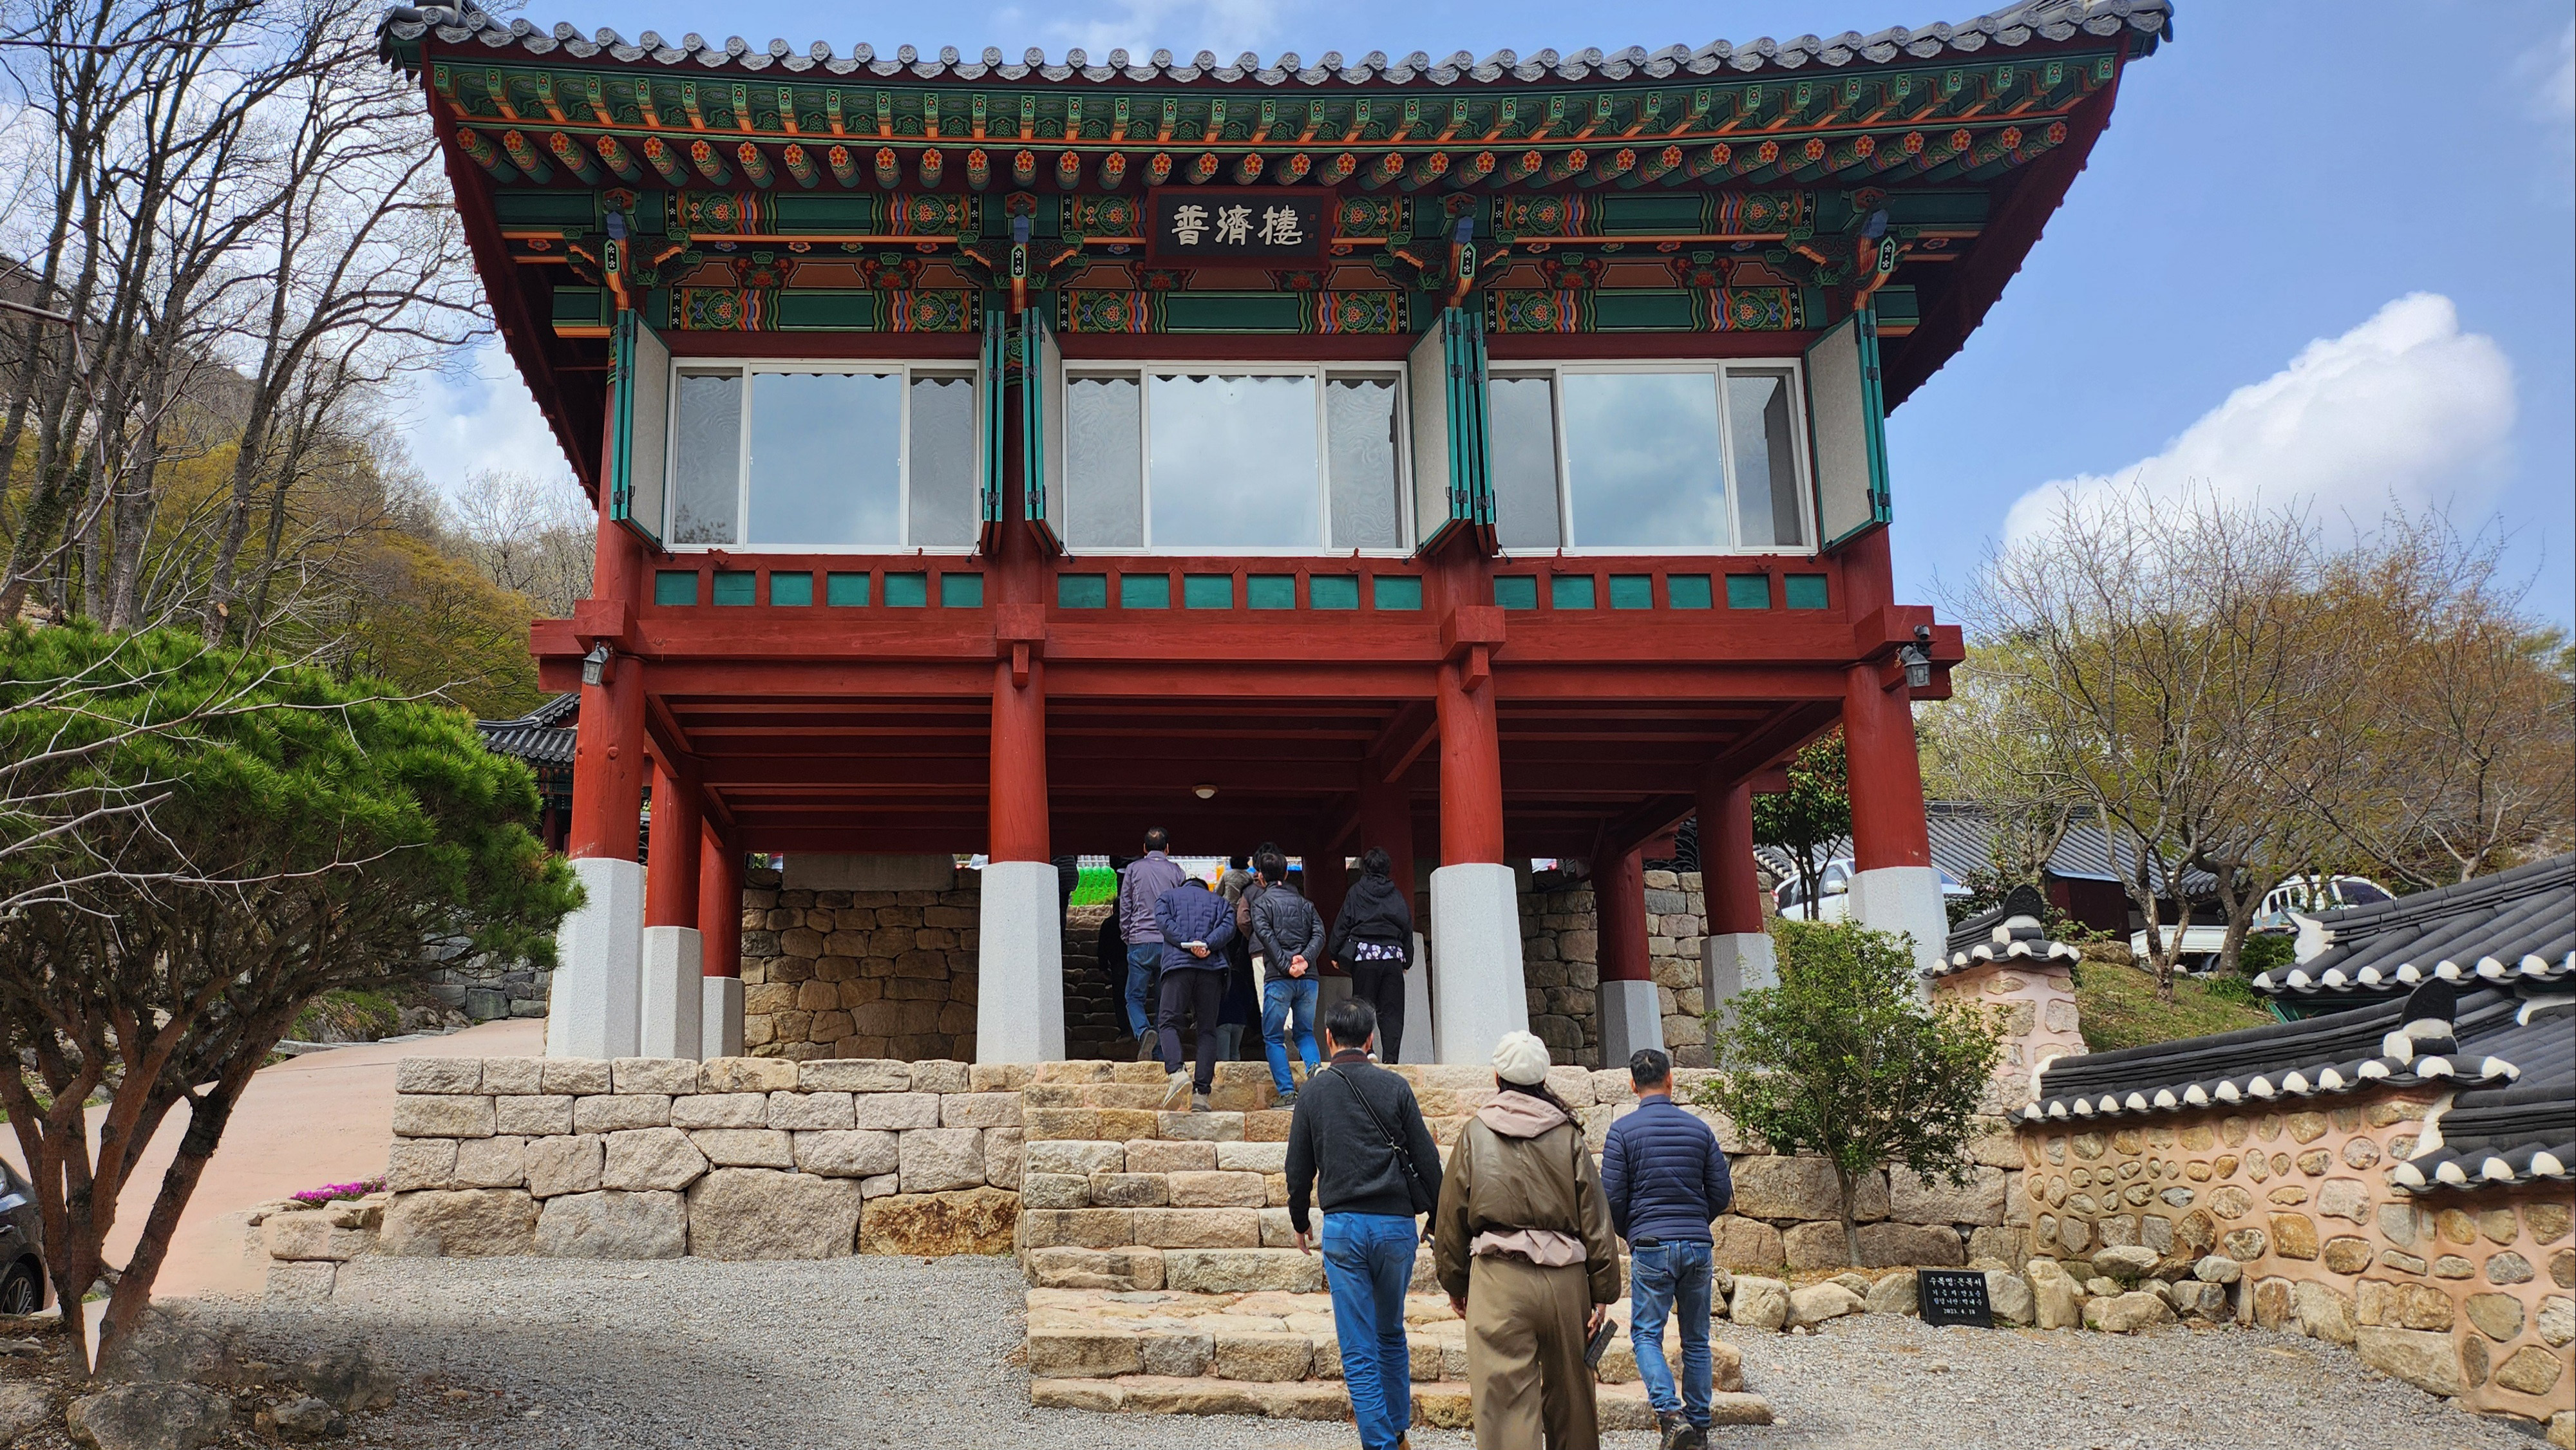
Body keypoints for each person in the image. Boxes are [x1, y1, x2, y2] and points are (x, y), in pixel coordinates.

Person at [1433, 1030, 1621, 1450]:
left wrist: (1455, 1283)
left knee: (1505, 1409)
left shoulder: (1475, 1134)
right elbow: (1595, 1219)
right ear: (1542, 1079)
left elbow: (1452, 1217)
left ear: (1497, 1077)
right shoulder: (1568, 1135)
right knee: (1573, 1403)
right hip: (1566, 1281)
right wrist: (1602, 1291)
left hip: (1499, 1279)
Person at [1286, 998, 1443, 1450]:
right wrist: (1437, 1215)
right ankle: (1397, 1431)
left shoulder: (1314, 1092)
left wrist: (1300, 1219)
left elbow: (1298, 1168)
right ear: (1371, 1039)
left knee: (1358, 1347)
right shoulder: (1395, 1087)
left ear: (1328, 1038)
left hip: (1344, 1228)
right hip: (1395, 1227)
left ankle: (1381, 1444)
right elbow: (1427, 1160)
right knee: (1390, 1332)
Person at [1600, 1048, 1734, 1450]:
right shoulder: (1699, 1130)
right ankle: (1700, 1428)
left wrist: (1632, 1232)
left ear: (1632, 1085)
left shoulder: (1622, 1132)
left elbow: (1611, 1199)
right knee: (1697, 1339)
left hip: (1650, 1245)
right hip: (1697, 1245)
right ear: (1670, 1080)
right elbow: (1721, 1193)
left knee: (1646, 1335)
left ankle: (1671, 1416)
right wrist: (1695, 1223)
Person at [1151, 872, 1236, 1111]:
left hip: (1178, 967)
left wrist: (1189, 943)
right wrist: (1207, 943)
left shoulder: (1167, 898)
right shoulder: (1221, 903)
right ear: (1205, 888)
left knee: (1168, 1022)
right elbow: (1229, 928)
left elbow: (1165, 924)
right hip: (1211, 969)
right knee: (1207, 1030)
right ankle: (1201, 1094)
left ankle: (1177, 1072)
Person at [1245, 849, 1323, 1104]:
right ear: (1287, 873)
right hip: (1308, 978)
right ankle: (1314, 1069)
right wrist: (1305, 960)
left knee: (1273, 1036)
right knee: (1305, 1032)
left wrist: (1285, 965)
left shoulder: (1261, 904)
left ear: (1260, 876)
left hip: (1279, 978)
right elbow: (1319, 934)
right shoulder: (1306, 904)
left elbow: (1266, 938)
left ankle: (1288, 1093)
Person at [1329, 847, 1415, 1062]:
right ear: (1387, 869)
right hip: (1392, 957)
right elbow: (1406, 927)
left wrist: (1334, 953)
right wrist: (1407, 960)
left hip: (1364, 957)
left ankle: (1368, 1051)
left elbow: (1343, 924)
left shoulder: (1356, 892)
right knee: (1392, 1011)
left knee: (1363, 1008)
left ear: (1365, 868)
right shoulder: (1396, 895)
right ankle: (1391, 1059)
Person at [1115, 830, 1186, 1060]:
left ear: (1144, 848)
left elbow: (1125, 904)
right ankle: (1159, 1053)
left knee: (1133, 997)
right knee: (1163, 1002)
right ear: (1167, 849)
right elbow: (1181, 909)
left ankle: (1144, 1031)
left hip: (1140, 940)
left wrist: (1127, 934)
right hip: (1168, 943)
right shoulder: (1177, 872)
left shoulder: (1133, 869)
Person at [1215, 854, 1256, 1061]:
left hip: (1227, 912)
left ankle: (1226, 961)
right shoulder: (1249, 878)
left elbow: (1217, 892)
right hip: (1243, 913)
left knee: (1226, 943)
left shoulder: (1228, 875)